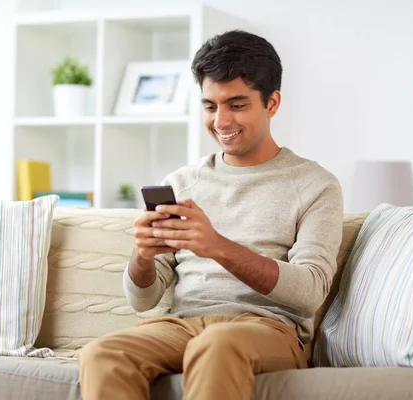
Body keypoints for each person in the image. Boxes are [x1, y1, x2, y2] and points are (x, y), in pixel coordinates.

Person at [78, 29, 344, 400]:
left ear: (272, 103)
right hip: (182, 325)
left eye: (236, 105)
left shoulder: (315, 184)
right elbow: (143, 300)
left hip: (267, 330)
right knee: (103, 353)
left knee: (218, 343)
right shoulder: (182, 182)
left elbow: (311, 291)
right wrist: (142, 254)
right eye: (210, 106)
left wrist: (218, 247)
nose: (220, 121)